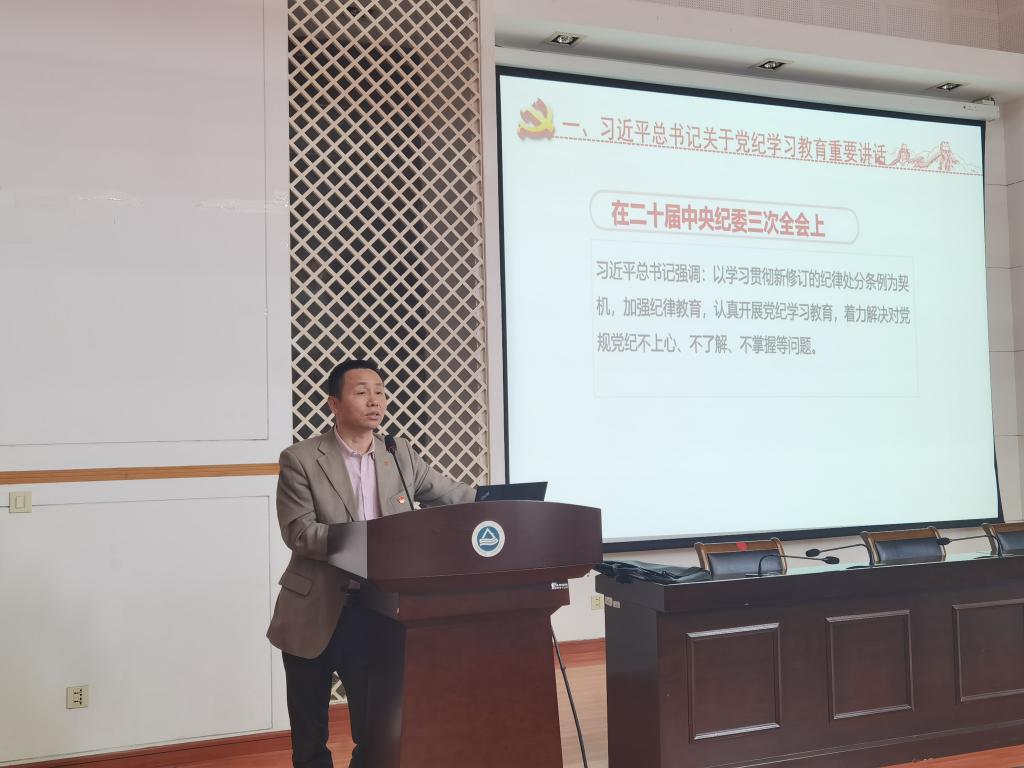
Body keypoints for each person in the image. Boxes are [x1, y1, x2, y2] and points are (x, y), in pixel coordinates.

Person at [267, 359, 474, 768]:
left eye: (379, 391)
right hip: (315, 608)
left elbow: (451, 495)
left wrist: (499, 504)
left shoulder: (399, 454)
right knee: (309, 738)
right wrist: (370, 541)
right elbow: (300, 532)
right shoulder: (301, 458)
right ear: (334, 403)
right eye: (361, 392)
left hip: (376, 610)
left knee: (376, 731)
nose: (374, 400)